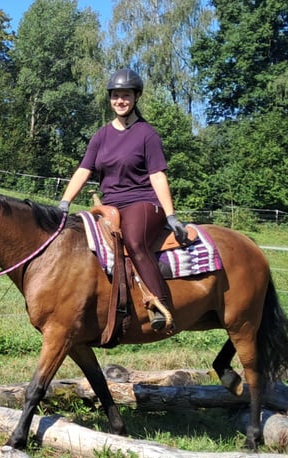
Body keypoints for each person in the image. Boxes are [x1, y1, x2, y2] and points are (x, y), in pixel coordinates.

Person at [58, 68, 188, 331]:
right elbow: (84, 169)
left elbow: (158, 175)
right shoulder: (101, 135)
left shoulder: (146, 134)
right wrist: (65, 202)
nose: (120, 101)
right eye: (116, 96)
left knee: (135, 241)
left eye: (126, 95)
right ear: (110, 99)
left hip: (143, 202)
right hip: (110, 206)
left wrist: (170, 214)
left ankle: (160, 303)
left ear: (136, 97)